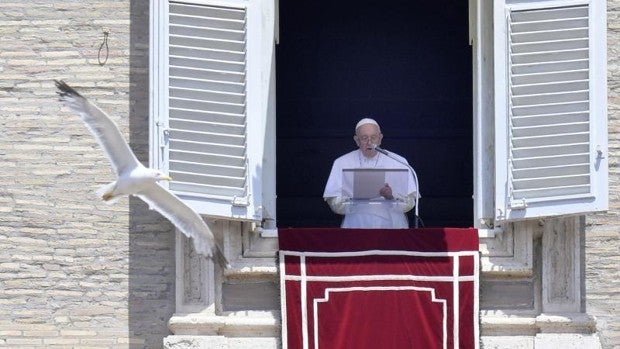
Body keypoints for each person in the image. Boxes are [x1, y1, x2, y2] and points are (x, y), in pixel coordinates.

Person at [323, 118, 418, 228]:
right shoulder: (342, 162)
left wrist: (390, 197)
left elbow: (410, 203)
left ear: (380, 139)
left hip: (392, 226)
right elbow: (334, 204)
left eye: (373, 137)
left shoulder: (398, 161)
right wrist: (354, 199)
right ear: (357, 140)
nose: (370, 142)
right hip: (356, 225)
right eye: (364, 138)